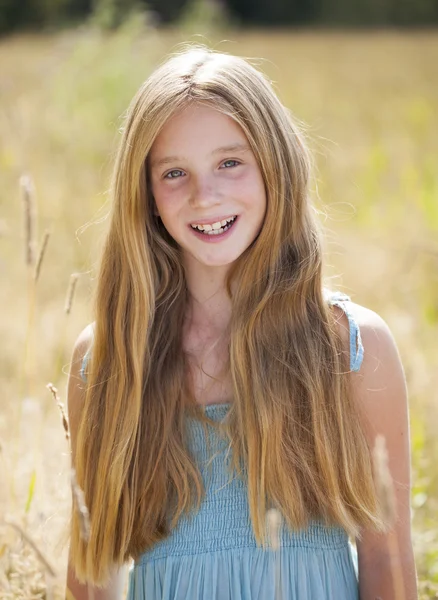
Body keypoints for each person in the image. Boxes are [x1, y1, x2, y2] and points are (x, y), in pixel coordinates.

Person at [65, 45, 418, 600]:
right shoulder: (109, 360)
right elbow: (90, 571)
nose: (205, 196)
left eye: (230, 162)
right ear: (147, 195)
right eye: (174, 172)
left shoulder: (350, 347)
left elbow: (388, 561)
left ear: (274, 166)